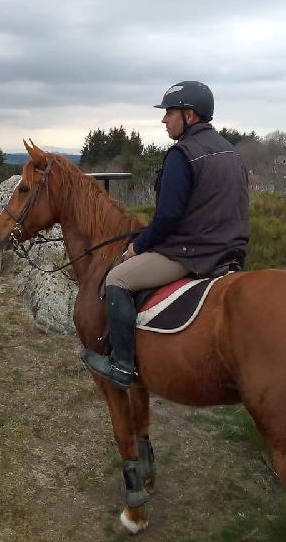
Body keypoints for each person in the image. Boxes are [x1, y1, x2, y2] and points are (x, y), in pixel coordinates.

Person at [81, 80, 250, 389]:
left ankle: (121, 365)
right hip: (231, 251)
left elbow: (169, 216)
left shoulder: (182, 155)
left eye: (170, 112)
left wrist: (138, 246)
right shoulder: (231, 153)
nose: (164, 120)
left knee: (117, 278)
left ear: (190, 115)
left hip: (192, 254)